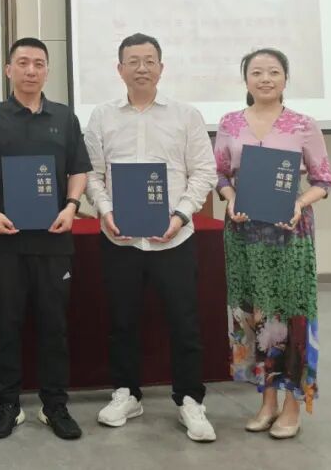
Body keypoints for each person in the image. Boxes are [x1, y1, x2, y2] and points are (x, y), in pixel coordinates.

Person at [83, 33, 218, 443]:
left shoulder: (186, 115)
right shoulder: (102, 116)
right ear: (119, 68)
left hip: (173, 238)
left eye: (149, 60)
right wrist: (106, 212)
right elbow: (91, 174)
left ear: (161, 67)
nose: (141, 68)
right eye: (133, 61)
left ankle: (190, 399)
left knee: (184, 322)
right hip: (120, 239)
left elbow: (204, 172)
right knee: (122, 321)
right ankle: (127, 393)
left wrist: (180, 215)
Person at [0, 37, 90, 441]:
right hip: (7, 239)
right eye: (22, 63)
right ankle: (8, 403)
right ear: (9, 70)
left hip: (55, 241)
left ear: (47, 71)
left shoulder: (65, 117)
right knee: (7, 323)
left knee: (55, 325)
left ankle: (55, 405)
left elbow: (78, 169)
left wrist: (71, 206)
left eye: (38, 63)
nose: (31, 70)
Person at [214, 48, 331, 439]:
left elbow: (323, 181)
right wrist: (230, 199)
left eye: (273, 72)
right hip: (244, 234)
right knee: (254, 314)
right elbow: (220, 175)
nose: (265, 78)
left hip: (288, 234)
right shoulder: (230, 123)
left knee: (291, 315)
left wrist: (299, 203)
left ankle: (292, 404)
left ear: (285, 78)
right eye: (257, 72)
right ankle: (266, 401)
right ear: (245, 79)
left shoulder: (303, 124)